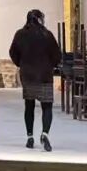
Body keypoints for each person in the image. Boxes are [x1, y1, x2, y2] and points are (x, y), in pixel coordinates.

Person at [9, 8, 62, 152]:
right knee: (47, 106)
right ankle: (45, 134)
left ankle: (30, 137)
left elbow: (13, 52)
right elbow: (57, 55)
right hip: (44, 76)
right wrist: (51, 65)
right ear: (39, 19)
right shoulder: (47, 35)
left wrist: (21, 64)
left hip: (28, 76)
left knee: (29, 106)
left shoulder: (20, 34)